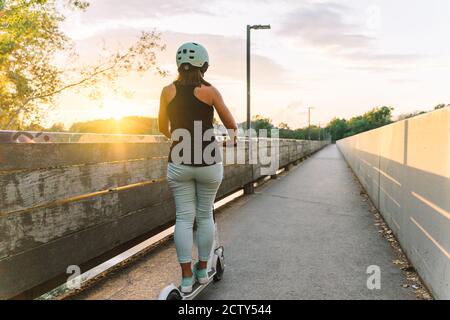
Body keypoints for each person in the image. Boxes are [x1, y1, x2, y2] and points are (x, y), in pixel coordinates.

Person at [158, 42, 237, 293]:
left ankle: (185, 277)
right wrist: (229, 140)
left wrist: (178, 137)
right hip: (208, 163)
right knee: (204, 216)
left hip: (179, 163)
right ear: (204, 65)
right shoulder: (211, 91)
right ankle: (203, 271)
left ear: (178, 65)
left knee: (183, 218)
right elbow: (231, 124)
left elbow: (162, 127)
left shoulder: (167, 91)